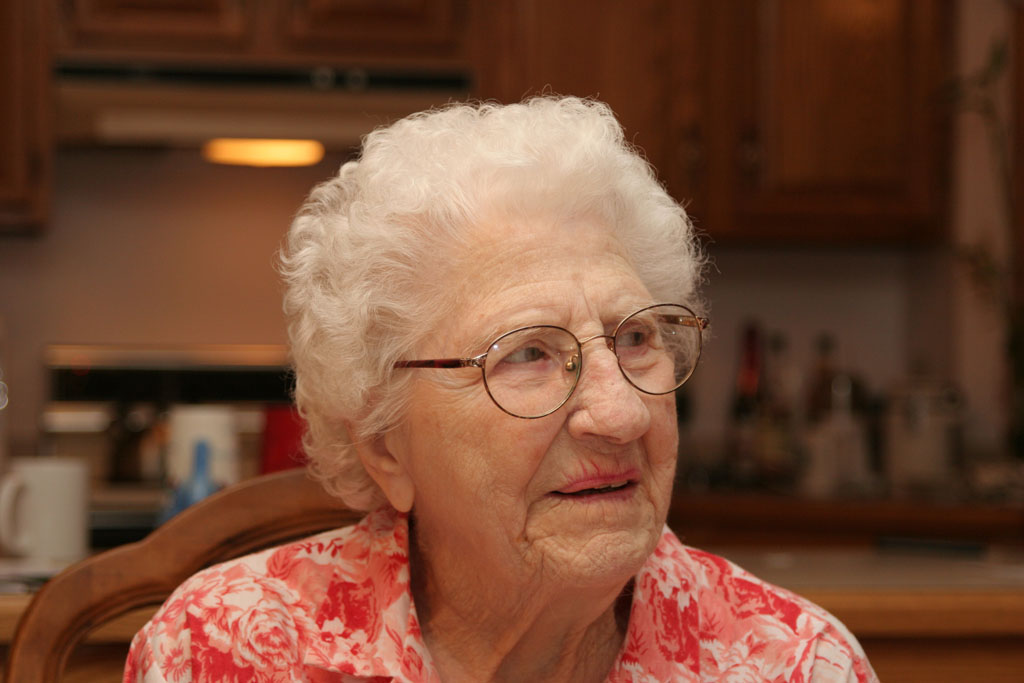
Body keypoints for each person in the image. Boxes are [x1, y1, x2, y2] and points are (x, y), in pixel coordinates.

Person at [124, 97, 877, 682]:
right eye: (528, 354)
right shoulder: (229, 652)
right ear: (385, 445)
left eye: (636, 339)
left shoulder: (790, 663)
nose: (621, 414)